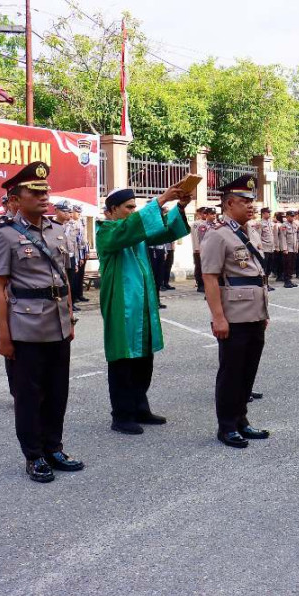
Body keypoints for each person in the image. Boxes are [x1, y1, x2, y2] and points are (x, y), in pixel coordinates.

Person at [0, 162, 83, 482]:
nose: (44, 196)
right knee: (28, 396)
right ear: (15, 199)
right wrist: (3, 337)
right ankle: (34, 455)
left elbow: (64, 279)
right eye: (35, 192)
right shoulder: (4, 235)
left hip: (57, 323)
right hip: (25, 327)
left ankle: (54, 447)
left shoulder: (57, 230)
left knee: (58, 391)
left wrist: (69, 317)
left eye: (46, 191)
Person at [97, 186, 192, 435]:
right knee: (123, 360)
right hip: (122, 308)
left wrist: (179, 206)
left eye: (134, 208)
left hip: (142, 307)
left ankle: (140, 407)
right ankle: (121, 415)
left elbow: (163, 231)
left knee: (144, 358)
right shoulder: (106, 231)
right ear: (111, 211)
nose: (132, 212)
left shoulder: (134, 232)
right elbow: (128, 230)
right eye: (128, 207)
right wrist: (161, 199)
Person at [200, 174, 271, 448]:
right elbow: (210, 278)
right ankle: (226, 426)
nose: (251, 206)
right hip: (233, 315)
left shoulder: (249, 232)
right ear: (229, 204)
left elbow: (258, 275)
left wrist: (264, 312)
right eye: (245, 201)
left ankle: (242, 420)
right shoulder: (218, 236)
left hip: (255, 312)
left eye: (252, 201)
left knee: (248, 371)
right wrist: (218, 317)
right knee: (231, 372)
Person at [51, 200, 82, 312]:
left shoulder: (73, 225)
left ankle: (71, 303)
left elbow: (75, 244)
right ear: (56, 211)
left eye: (68, 211)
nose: (67, 214)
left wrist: (77, 260)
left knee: (72, 282)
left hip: (72, 257)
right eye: (64, 211)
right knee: (61, 282)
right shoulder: (51, 226)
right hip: (60, 259)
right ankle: (62, 304)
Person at [258, 207, 276, 291]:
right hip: (264, 248)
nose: (269, 214)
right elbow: (258, 237)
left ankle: (267, 283)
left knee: (269, 267)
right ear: (263, 213)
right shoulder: (260, 224)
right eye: (268, 213)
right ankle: (264, 285)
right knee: (264, 268)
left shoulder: (270, 223)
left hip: (271, 248)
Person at [282, 210, 298, 288]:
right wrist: (285, 249)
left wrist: (297, 246)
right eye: (291, 216)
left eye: (293, 216)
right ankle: (286, 281)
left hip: (294, 248)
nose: (293, 217)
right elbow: (283, 237)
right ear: (287, 216)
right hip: (288, 248)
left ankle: (290, 280)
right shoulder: (284, 225)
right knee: (287, 265)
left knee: (292, 265)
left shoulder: (294, 225)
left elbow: (296, 237)